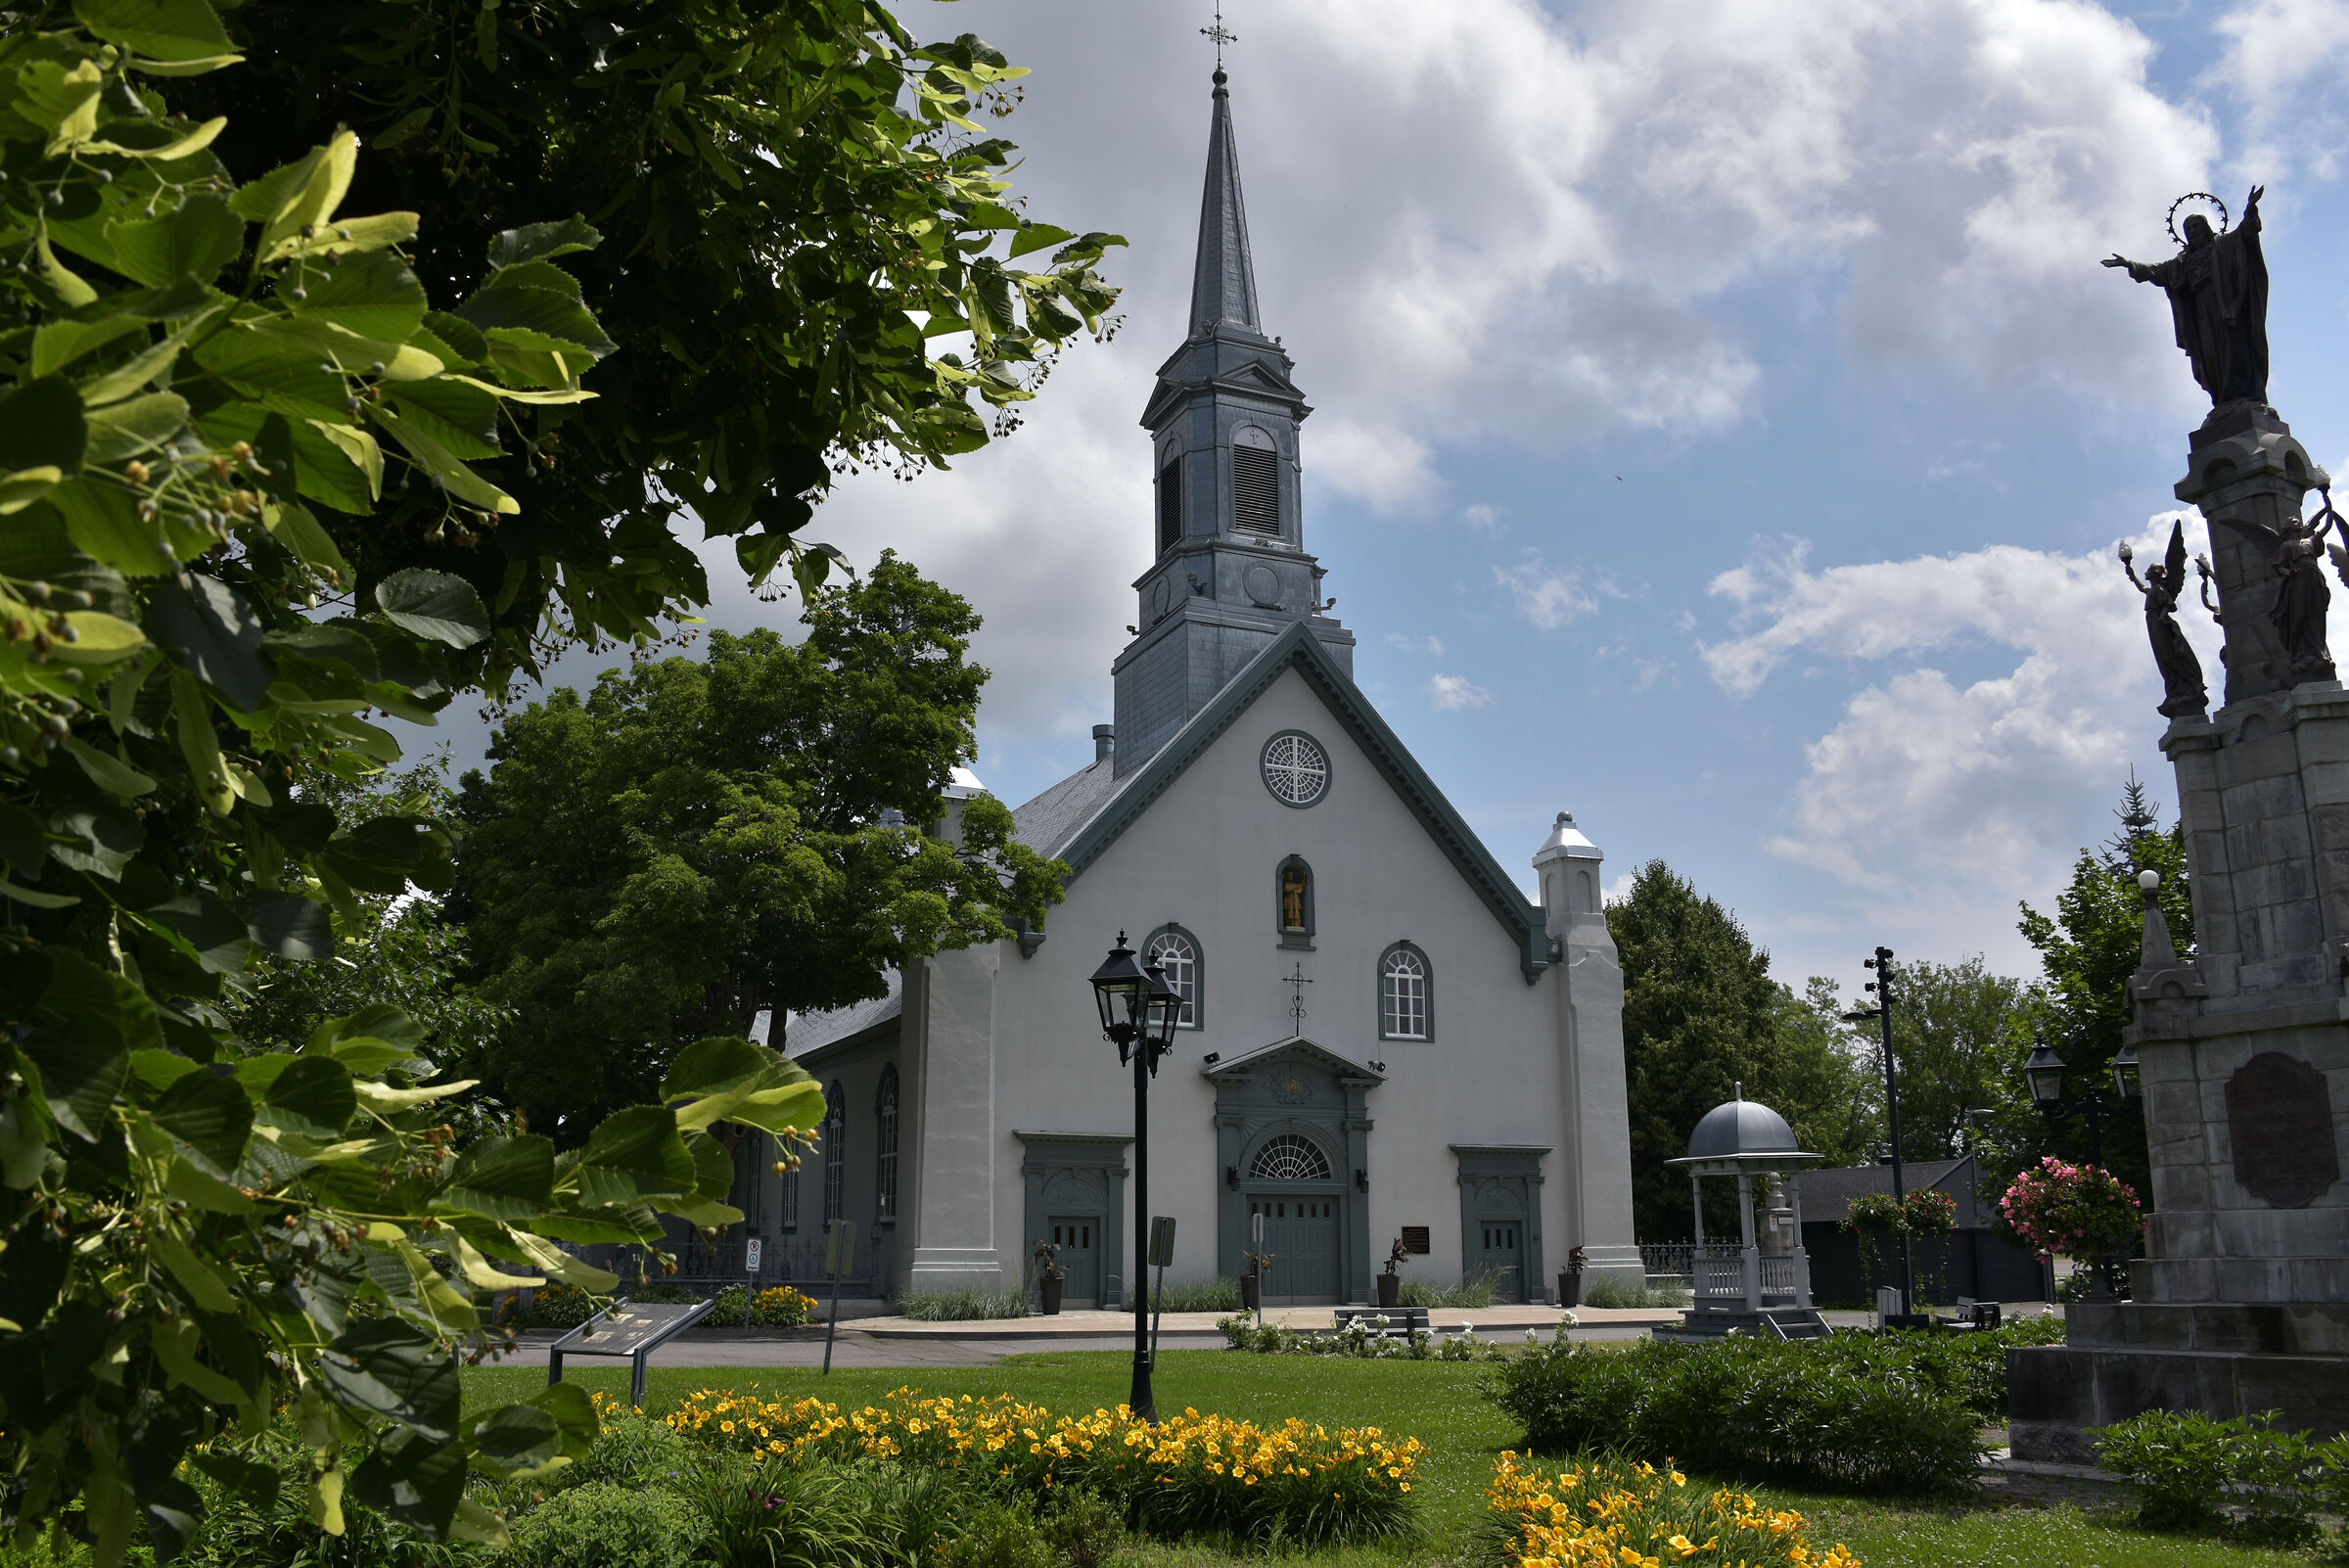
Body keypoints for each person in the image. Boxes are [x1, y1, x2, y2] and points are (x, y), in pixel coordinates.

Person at [2104, 187, 2269, 410]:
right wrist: (2129, 264)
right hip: (2201, 311)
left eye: (2196, 226)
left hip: (2226, 307)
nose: (2192, 231)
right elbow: (2158, 270)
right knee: (2209, 354)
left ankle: (2242, 395)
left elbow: (2246, 233)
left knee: (2233, 349)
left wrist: (2250, 209)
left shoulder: (2223, 245)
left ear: (2206, 227)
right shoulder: (2183, 261)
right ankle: (2222, 400)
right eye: (2188, 229)